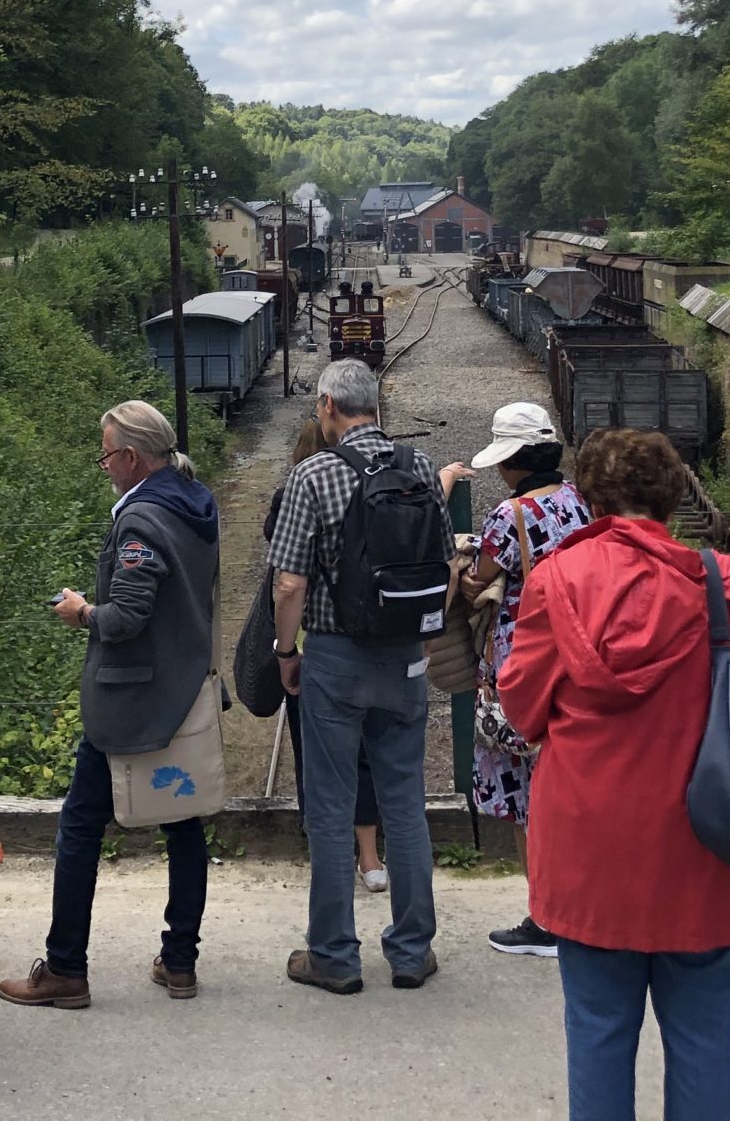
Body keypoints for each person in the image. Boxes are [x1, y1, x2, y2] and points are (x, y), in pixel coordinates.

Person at [499, 428, 730, 1121]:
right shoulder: (721, 585)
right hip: (700, 839)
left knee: (598, 1030)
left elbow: (522, 708)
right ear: (672, 499)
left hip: (588, 844)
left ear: (591, 500)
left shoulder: (558, 581)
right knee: (703, 1036)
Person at [2, 399, 219, 1010]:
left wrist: (81, 613)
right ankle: (180, 963)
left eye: (105, 455)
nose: (102, 465)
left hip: (132, 698)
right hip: (182, 691)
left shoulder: (141, 521)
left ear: (130, 457)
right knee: (183, 825)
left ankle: (66, 969)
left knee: (78, 827)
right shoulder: (196, 503)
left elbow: (125, 618)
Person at [266, 356, 446, 994]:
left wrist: (287, 652)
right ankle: (410, 950)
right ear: (376, 406)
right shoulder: (421, 469)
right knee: (405, 805)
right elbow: (441, 561)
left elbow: (289, 582)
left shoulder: (312, 475)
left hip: (336, 659)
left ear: (325, 407)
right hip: (404, 660)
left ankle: (335, 957)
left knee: (333, 805)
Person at [437, 399, 592, 959]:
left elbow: (480, 582)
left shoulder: (512, 515)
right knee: (563, 789)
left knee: (529, 797)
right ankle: (578, 908)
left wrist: (466, 561)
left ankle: (546, 919)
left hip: (522, 662)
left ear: (514, 460)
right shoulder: (576, 501)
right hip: (571, 657)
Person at [270, 417, 383, 891]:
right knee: (371, 756)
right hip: (384, 643)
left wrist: (285, 650)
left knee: (318, 762)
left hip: (323, 644)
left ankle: (327, 860)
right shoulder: (390, 477)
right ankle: (373, 859)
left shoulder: (299, 487)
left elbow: (287, 581)